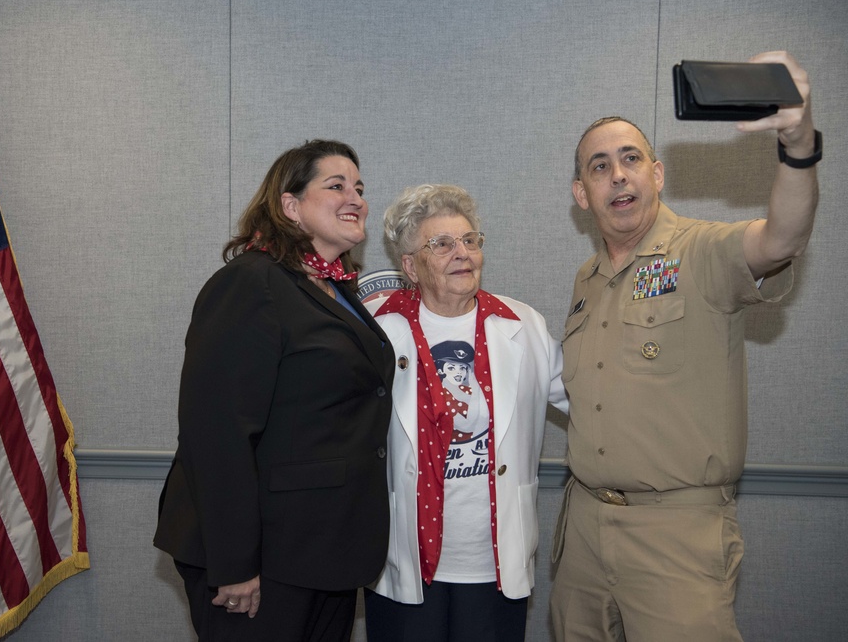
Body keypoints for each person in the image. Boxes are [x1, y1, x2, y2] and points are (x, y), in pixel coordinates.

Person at [550, 51, 820, 642]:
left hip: (675, 535)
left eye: (630, 160)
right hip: (584, 531)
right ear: (581, 192)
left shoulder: (701, 252)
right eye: (599, 167)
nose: (618, 175)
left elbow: (781, 237)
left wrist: (798, 144)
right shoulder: (585, 282)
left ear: (657, 173)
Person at [153, 139, 396, 641]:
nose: (356, 197)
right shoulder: (251, 283)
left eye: (360, 187)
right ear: (290, 204)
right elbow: (216, 434)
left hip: (324, 550)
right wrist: (235, 563)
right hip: (264, 557)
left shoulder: (336, 289)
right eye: (336, 186)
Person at [364, 184, 568, 642]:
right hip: (403, 557)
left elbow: (590, 400)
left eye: (470, 240)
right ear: (410, 266)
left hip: (493, 560)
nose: (462, 253)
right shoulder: (376, 328)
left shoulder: (522, 325)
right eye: (442, 244)